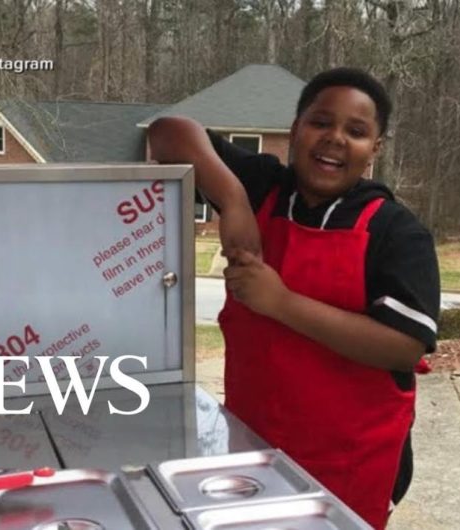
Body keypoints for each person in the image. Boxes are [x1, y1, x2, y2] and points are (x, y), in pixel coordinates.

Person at [148, 67, 440, 529]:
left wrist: (279, 302)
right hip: (253, 443)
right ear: (295, 130)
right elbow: (168, 133)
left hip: (352, 461)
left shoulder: (395, 231)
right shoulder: (263, 185)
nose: (335, 138)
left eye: (356, 131)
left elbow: (404, 345)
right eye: (320, 122)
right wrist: (234, 201)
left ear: (374, 150)